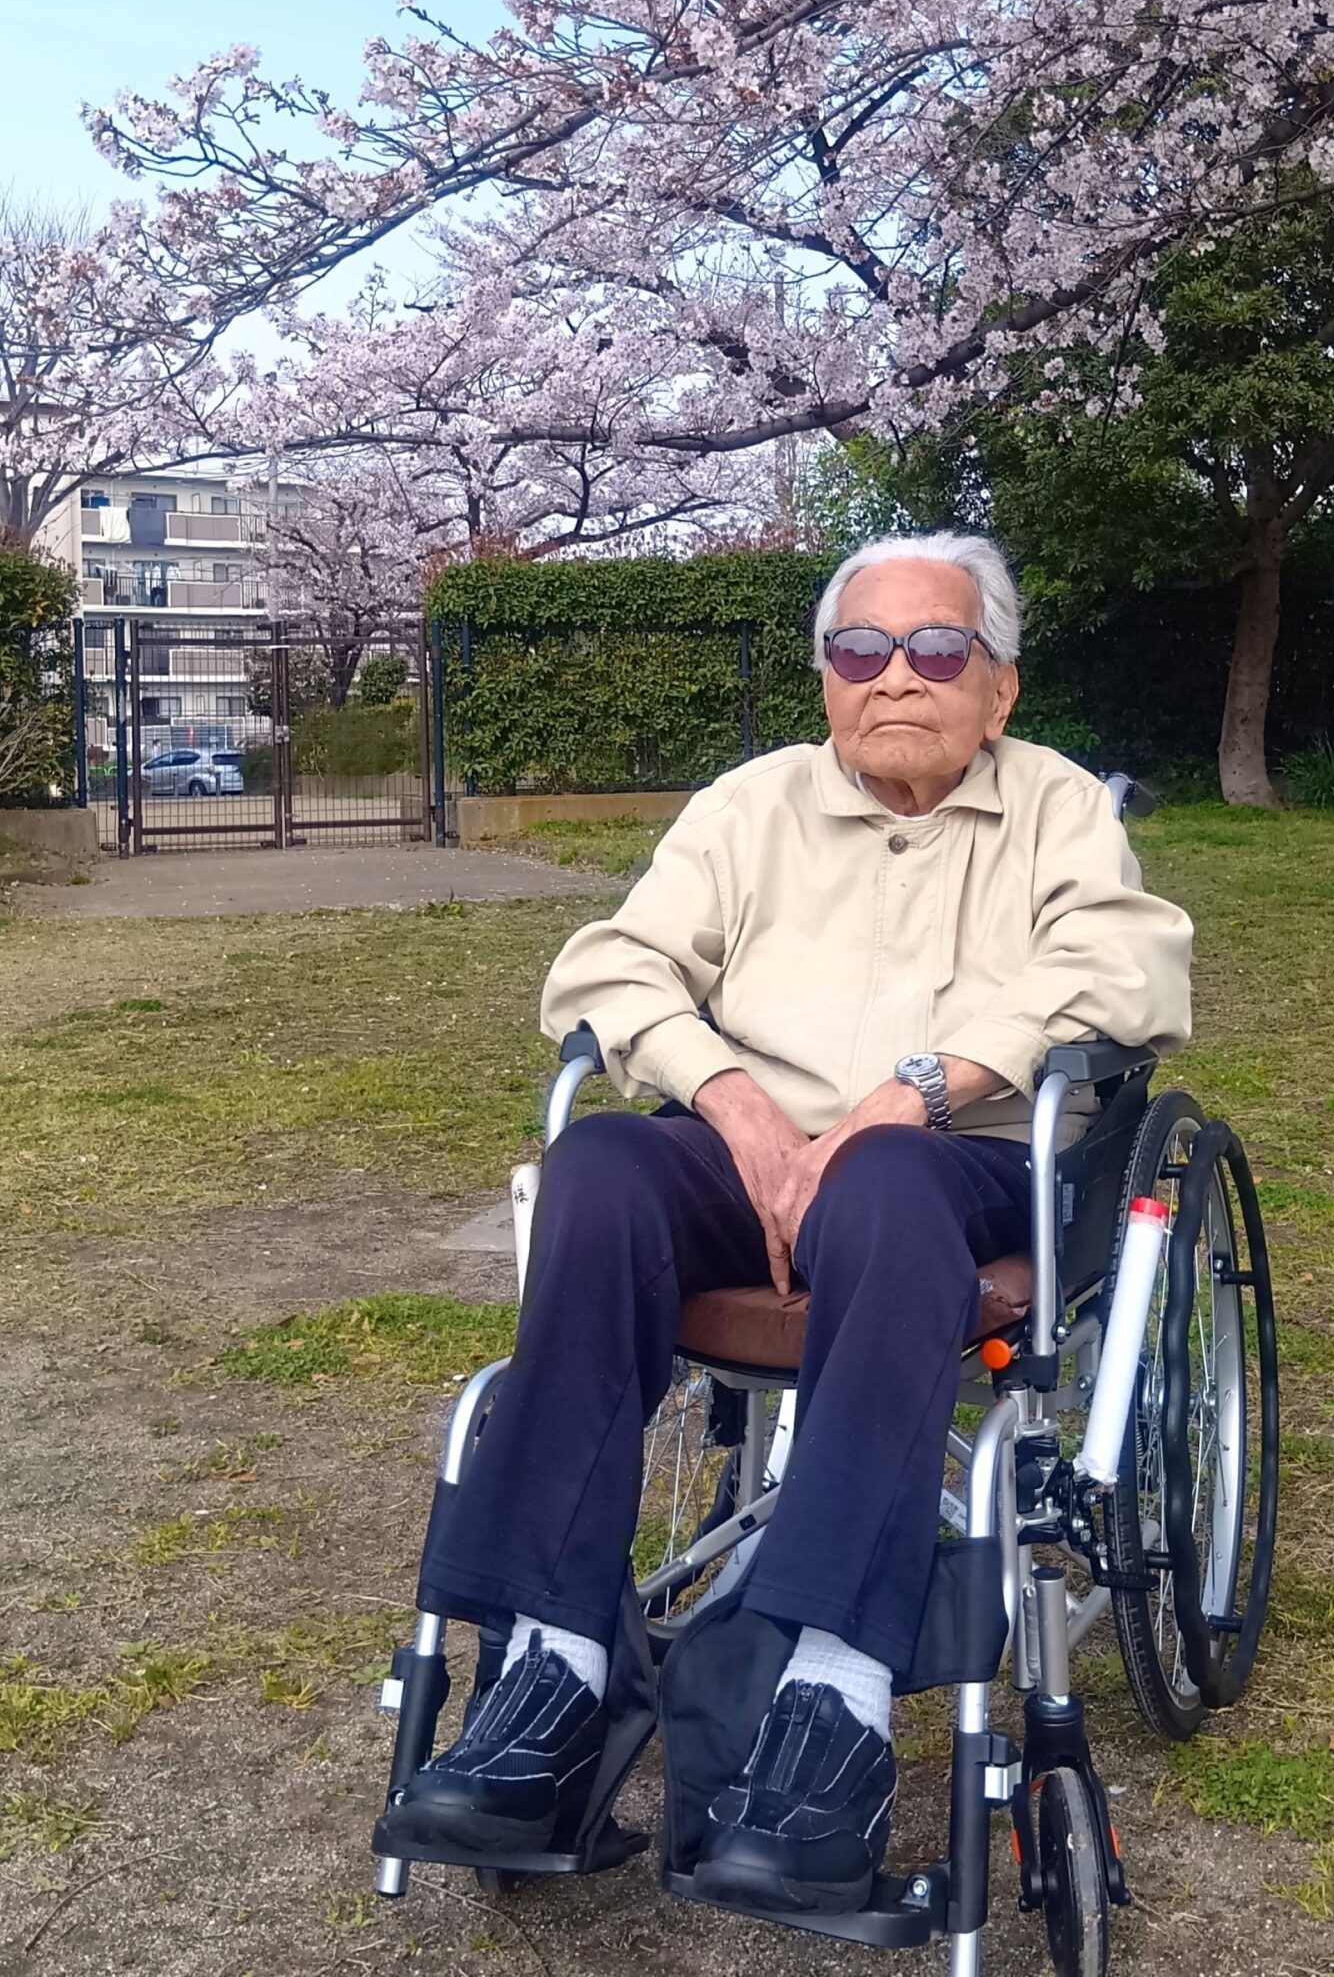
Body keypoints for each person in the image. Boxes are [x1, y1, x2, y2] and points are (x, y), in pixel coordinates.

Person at [384, 532, 1193, 1914]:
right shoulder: (750, 807)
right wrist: (735, 1102)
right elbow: (614, 966)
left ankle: (837, 1694)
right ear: (827, 677)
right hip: (747, 1154)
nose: (896, 676)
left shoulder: (1057, 809)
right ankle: (554, 1665)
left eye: (937, 648)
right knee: (599, 1168)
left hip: (959, 1158)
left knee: (883, 1183)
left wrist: (909, 1094)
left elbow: (1121, 972)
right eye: (859, 649)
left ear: (998, 685)